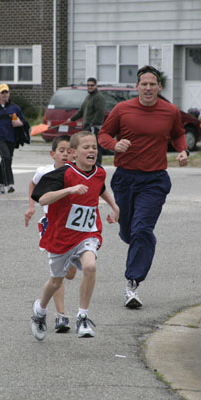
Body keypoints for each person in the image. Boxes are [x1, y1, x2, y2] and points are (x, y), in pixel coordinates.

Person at [98, 65, 189, 309]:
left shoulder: (170, 111)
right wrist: (114, 145)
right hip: (126, 178)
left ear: (159, 87)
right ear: (137, 87)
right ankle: (139, 240)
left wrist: (182, 150)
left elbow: (178, 134)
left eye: (153, 84)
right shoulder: (122, 109)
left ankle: (133, 283)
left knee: (141, 230)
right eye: (144, 84)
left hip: (154, 180)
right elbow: (103, 134)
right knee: (130, 232)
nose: (148, 88)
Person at [30, 131, 119, 341]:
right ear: (73, 152)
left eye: (94, 147)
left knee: (90, 266)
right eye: (86, 147)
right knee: (56, 281)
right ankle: (40, 312)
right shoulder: (62, 174)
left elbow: (100, 188)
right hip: (61, 237)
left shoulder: (99, 172)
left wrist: (115, 207)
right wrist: (69, 190)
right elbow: (43, 199)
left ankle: (83, 317)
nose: (91, 151)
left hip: (88, 232)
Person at [25, 135, 77, 333]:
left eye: (68, 151)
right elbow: (32, 185)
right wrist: (31, 207)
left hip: (73, 228)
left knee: (70, 273)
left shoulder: (77, 172)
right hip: (51, 227)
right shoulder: (44, 172)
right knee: (59, 273)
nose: (65, 154)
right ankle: (61, 315)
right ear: (52, 154)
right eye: (61, 150)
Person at [65, 77, 105, 165]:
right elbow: (81, 111)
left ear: (96, 86)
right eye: (88, 85)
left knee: (94, 147)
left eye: (92, 85)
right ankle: (87, 164)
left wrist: (93, 124)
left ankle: (97, 165)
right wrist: (71, 119)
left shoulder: (99, 97)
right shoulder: (88, 97)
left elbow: (100, 113)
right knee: (85, 146)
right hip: (87, 126)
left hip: (94, 127)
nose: (90, 87)